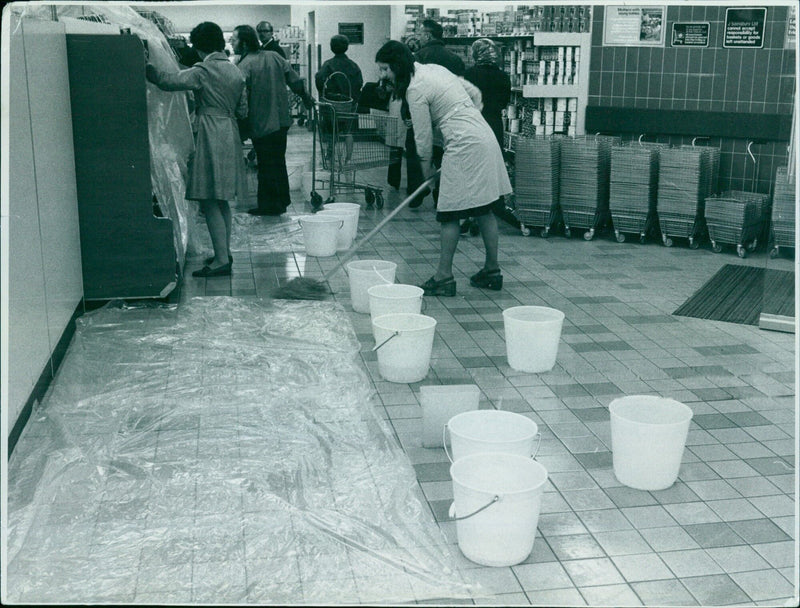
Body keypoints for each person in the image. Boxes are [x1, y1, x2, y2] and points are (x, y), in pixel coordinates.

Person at [375, 41, 511, 296]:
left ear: (397, 65)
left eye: (384, 69)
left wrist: (427, 174)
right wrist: (466, 117)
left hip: (465, 144)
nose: (382, 76)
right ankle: (492, 272)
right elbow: (474, 93)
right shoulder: (434, 70)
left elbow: (423, 141)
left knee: (449, 212)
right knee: (484, 208)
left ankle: (443, 277)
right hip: (484, 135)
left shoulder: (415, 89)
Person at [146, 21, 247, 278]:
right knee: (222, 197)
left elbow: (169, 81)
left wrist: (147, 67)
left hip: (210, 131)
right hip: (230, 131)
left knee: (209, 198)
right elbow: (243, 110)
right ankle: (224, 252)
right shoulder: (235, 71)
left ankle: (221, 260)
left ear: (200, 46)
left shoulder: (203, 70)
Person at [232, 25, 312, 216]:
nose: (231, 43)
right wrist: (306, 97)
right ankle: (281, 200)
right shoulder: (275, 56)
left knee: (266, 164)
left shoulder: (243, 66)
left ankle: (268, 205)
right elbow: (295, 80)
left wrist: (239, 123)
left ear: (243, 43)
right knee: (277, 161)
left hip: (261, 122)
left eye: (234, 39)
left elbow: (241, 100)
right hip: (281, 121)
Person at [408, 20, 465, 208]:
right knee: (445, 155)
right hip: (448, 116)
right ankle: (441, 193)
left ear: (428, 35)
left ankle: (417, 191)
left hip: (423, 112)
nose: (417, 36)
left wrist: (407, 114)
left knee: (417, 147)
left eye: (420, 33)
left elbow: (411, 87)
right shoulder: (455, 59)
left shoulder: (417, 58)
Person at [461, 38, 511, 236]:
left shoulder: (469, 74)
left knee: (470, 170)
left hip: (473, 124)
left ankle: (469, 216)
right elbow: (504, 102)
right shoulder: (503, 77)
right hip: (494, 125)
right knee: (488, 171)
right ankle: (486, 212)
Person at [314, 34, 363, 106]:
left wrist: (325, 94)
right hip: (350, 106)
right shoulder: (353, 65)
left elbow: (319, 79)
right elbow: (359, 83)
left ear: (331, 47)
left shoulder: (328, 64)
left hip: (332, 105)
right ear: (347, 47)